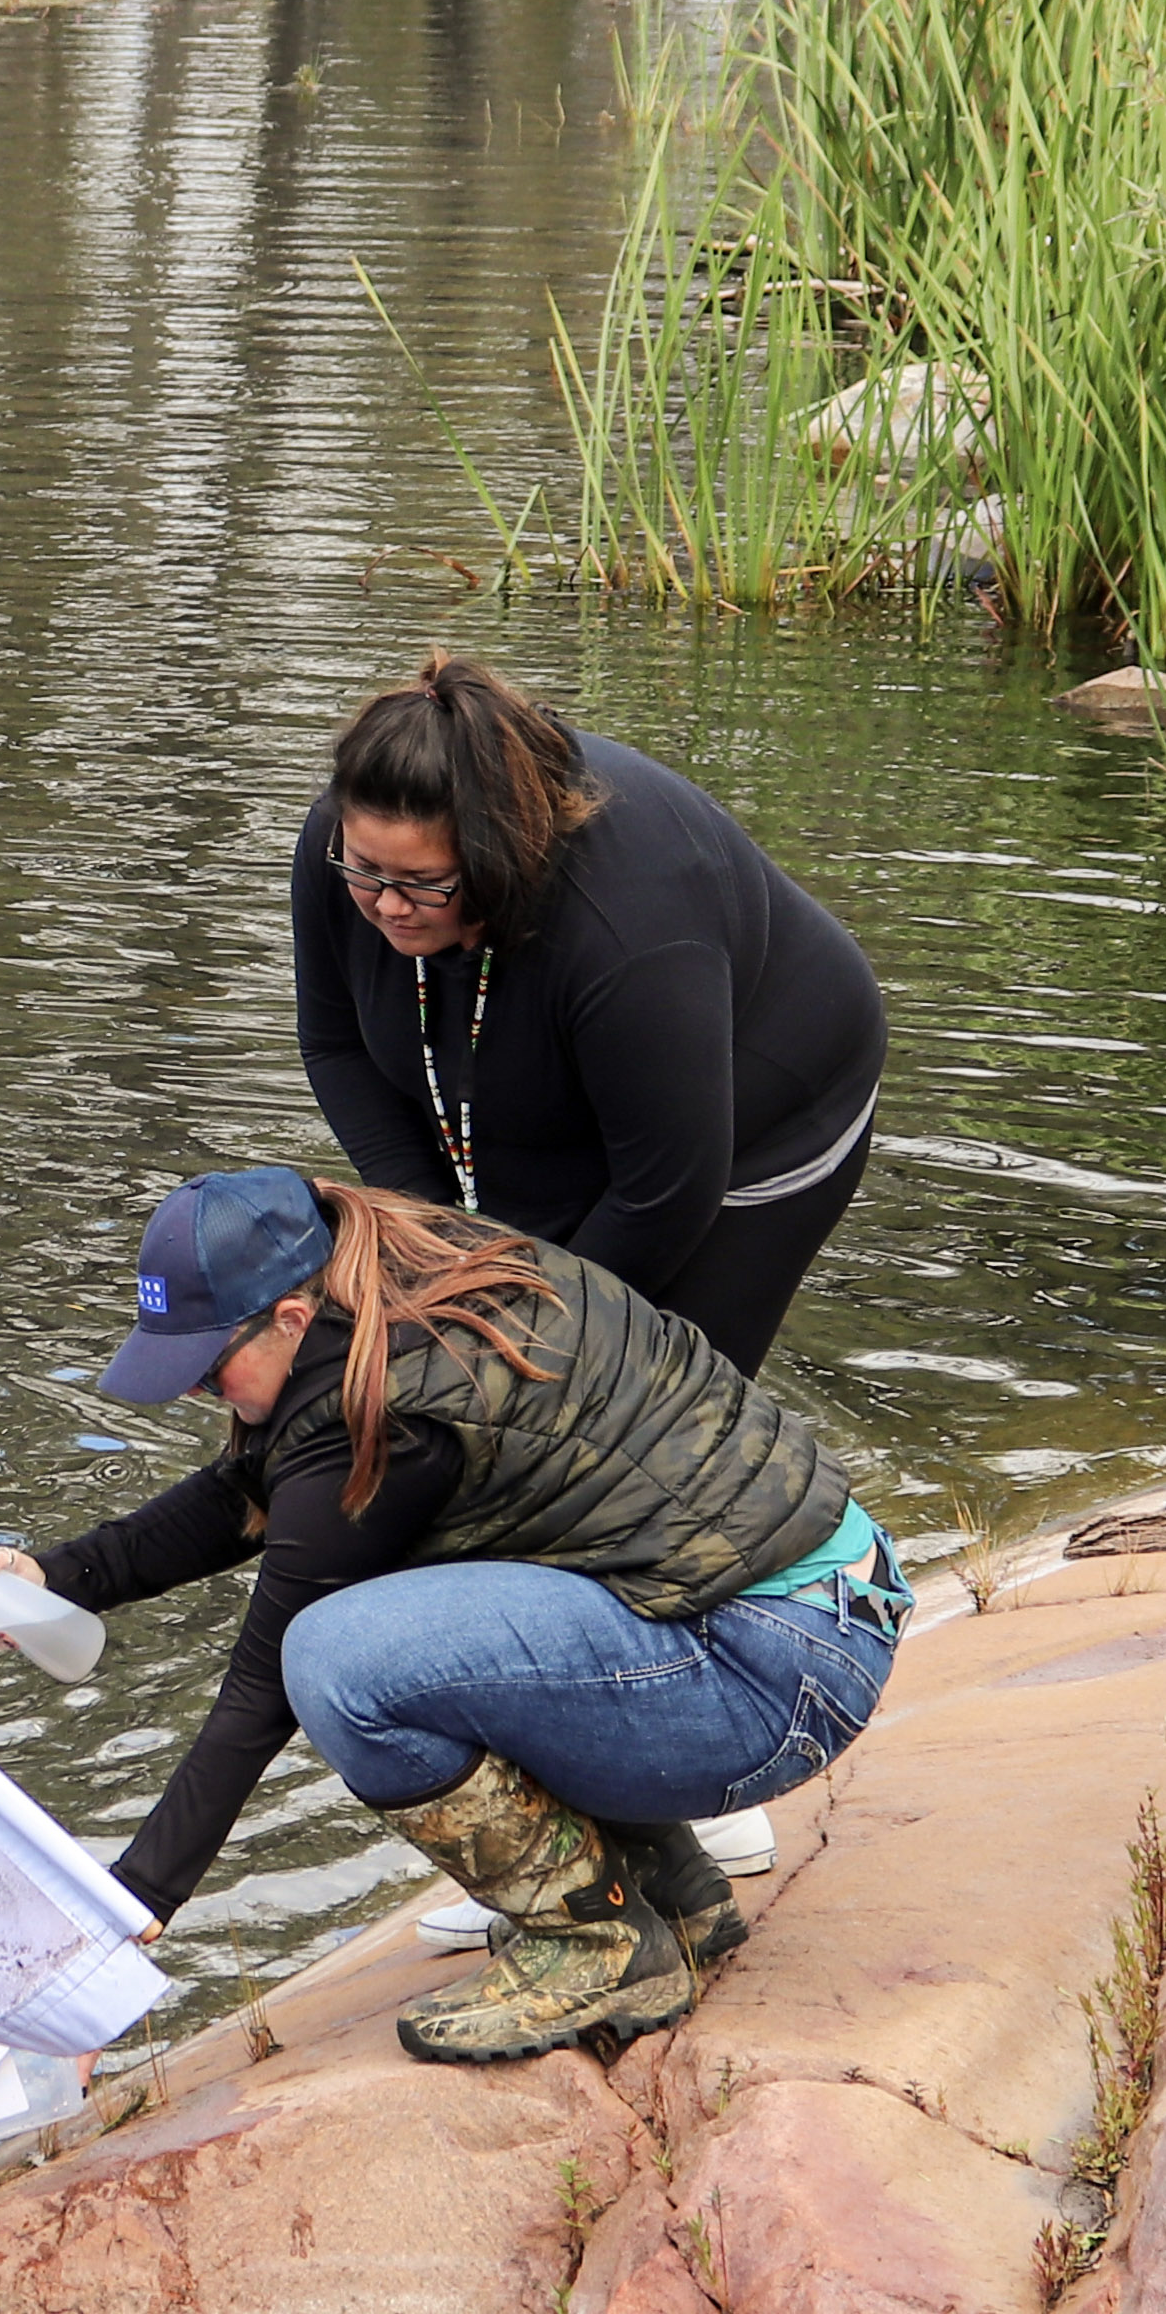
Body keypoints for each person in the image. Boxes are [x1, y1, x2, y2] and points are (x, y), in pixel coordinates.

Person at [0, 1168, 904, 2063]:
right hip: (815, 1609)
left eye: (206, 1370)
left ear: (288, 1316)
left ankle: (599, 1945)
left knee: (337, 1659)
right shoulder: (388, 1276)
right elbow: (255, 1491)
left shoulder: (394, 1402)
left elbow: (262, 1679)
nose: (198, 1393)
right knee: (442, 1610)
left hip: (769, 1671)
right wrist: (55, 1574)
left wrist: (131, 1906)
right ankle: (673, 1898)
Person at [292, 651, 883, 1899]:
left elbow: (666, 1187)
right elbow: (339, 1043)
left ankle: (685, 1795)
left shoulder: (629, 918)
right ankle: (557, 1802)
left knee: (611, 1444)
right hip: (554, 1115)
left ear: (494, 858)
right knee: (478, 1389)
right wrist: (438, 1246)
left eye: (419, 885)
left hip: (751, 1136)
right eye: (365, 874)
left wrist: (520, 1344)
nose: (383, 904)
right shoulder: (355, 840)